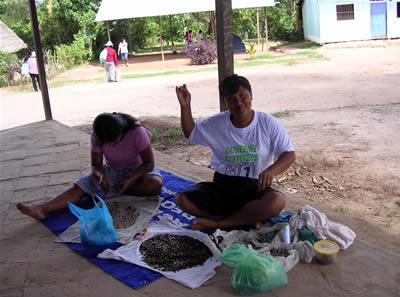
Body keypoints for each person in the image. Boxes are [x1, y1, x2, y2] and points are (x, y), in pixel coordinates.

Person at [175, 74, 296, 230]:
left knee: (277, 201)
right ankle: (245, 219)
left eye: (242, 96)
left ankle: (220, 223)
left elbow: (289, 154)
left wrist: (271, 171)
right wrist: (185, 107)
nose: (238, 102)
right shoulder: (217, 123)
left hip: (255, 187)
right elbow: (191, 133)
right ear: (225, 102)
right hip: (223, 185)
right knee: (182, 199)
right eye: (231, 99)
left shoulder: (267, 122)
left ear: (251, 95)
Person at [16, 112, 163, 221]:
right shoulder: (97, 136)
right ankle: (40, 209)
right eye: (109, 143)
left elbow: (149, 163)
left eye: (116, 141)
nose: (112, 145)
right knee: (80, 187)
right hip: (112, 170)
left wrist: (131, 179)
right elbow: (96, 165)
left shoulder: (137, 131)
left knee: (154, 185)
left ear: (122, 130)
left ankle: (115, 191)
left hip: (138, 170)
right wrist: (101, 175)